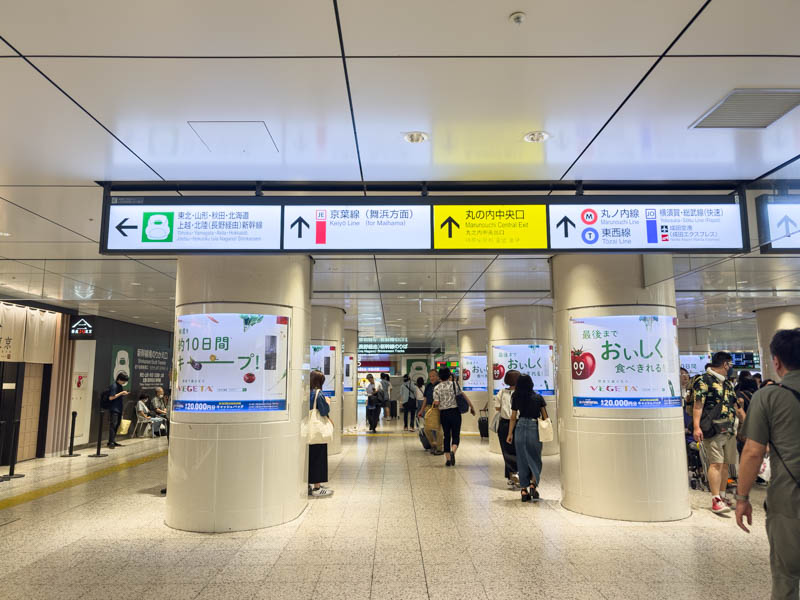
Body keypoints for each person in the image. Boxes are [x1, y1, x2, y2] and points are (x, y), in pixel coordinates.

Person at [736, 328, 800, 599]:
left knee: (787, 576)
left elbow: (752, 451)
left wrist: (741, 497)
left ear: (776, 361)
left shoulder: (769, 396)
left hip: (790, 498)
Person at [692, 351, 745, 513]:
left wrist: (747, 424)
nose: (730, 368)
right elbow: (698, 405)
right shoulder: (703, 380)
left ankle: (722, 496)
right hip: (713, 428)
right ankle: (715, 499)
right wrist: (696, 426)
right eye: (730, 365)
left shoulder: (728, 384)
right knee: (716, 463)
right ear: (725, 364)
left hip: (729, 430)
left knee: (726, 465)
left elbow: (736, 407)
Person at [507, 374, 547, 502]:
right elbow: (545, 417)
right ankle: (532, 484)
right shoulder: (538, 398)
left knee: (522, 459)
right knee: (535, 458)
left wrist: (509, 434)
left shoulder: (516, 397)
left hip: (519, 427)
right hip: (533, 428)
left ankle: (523, 490)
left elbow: (513, 417)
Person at [432, 367, 475, 467]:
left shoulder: (437, 388)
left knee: (447, 435)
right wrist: (471, 407)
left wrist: (435, 405)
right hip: (455, 412)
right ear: (449, 376)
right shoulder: (455, 385)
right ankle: (453, 451)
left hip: (444, 414)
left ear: (439, 377)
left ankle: (447, 459)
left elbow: (436, 403)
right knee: (456, 435)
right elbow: (462, 396)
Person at [308, 369, 333, 497]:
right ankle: (317, 488)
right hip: (317, 431)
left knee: (308, 458)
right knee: (319, 457)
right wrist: (328, 402)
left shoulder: (306, 393)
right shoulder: (319, 393)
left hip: (306, 430)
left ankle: (307, 484)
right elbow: (324, 411)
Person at [494, 369, 520, 488]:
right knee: (518, 450)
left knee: (507, 451)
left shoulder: (501, 392)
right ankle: (516, 475)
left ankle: (511, 476)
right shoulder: (522, 393)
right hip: (519, 423)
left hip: (505, 424)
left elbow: (497, 408)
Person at [419, 370, 444, 455]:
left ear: (437, 377)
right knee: (427, 429)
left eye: (433, 376)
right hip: (428, 409)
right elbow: (425, 399)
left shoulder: (441, 385)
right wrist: (422, 410)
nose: (432, 378)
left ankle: (439, 448)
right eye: (430, 376)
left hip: (438, 409)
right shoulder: (428, 386)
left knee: (438, 429)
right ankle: (433, 444)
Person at [105, 372, 129, 448]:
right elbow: (111, 397)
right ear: (119, 379)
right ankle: (110, 442)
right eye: (123, 381)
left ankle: (113, 440)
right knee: (113, 425)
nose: (124, 382)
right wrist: (121, 393)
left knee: (117, 424)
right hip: (114, 408)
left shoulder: (119, 386)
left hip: (119, 408)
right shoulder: (114, 386)